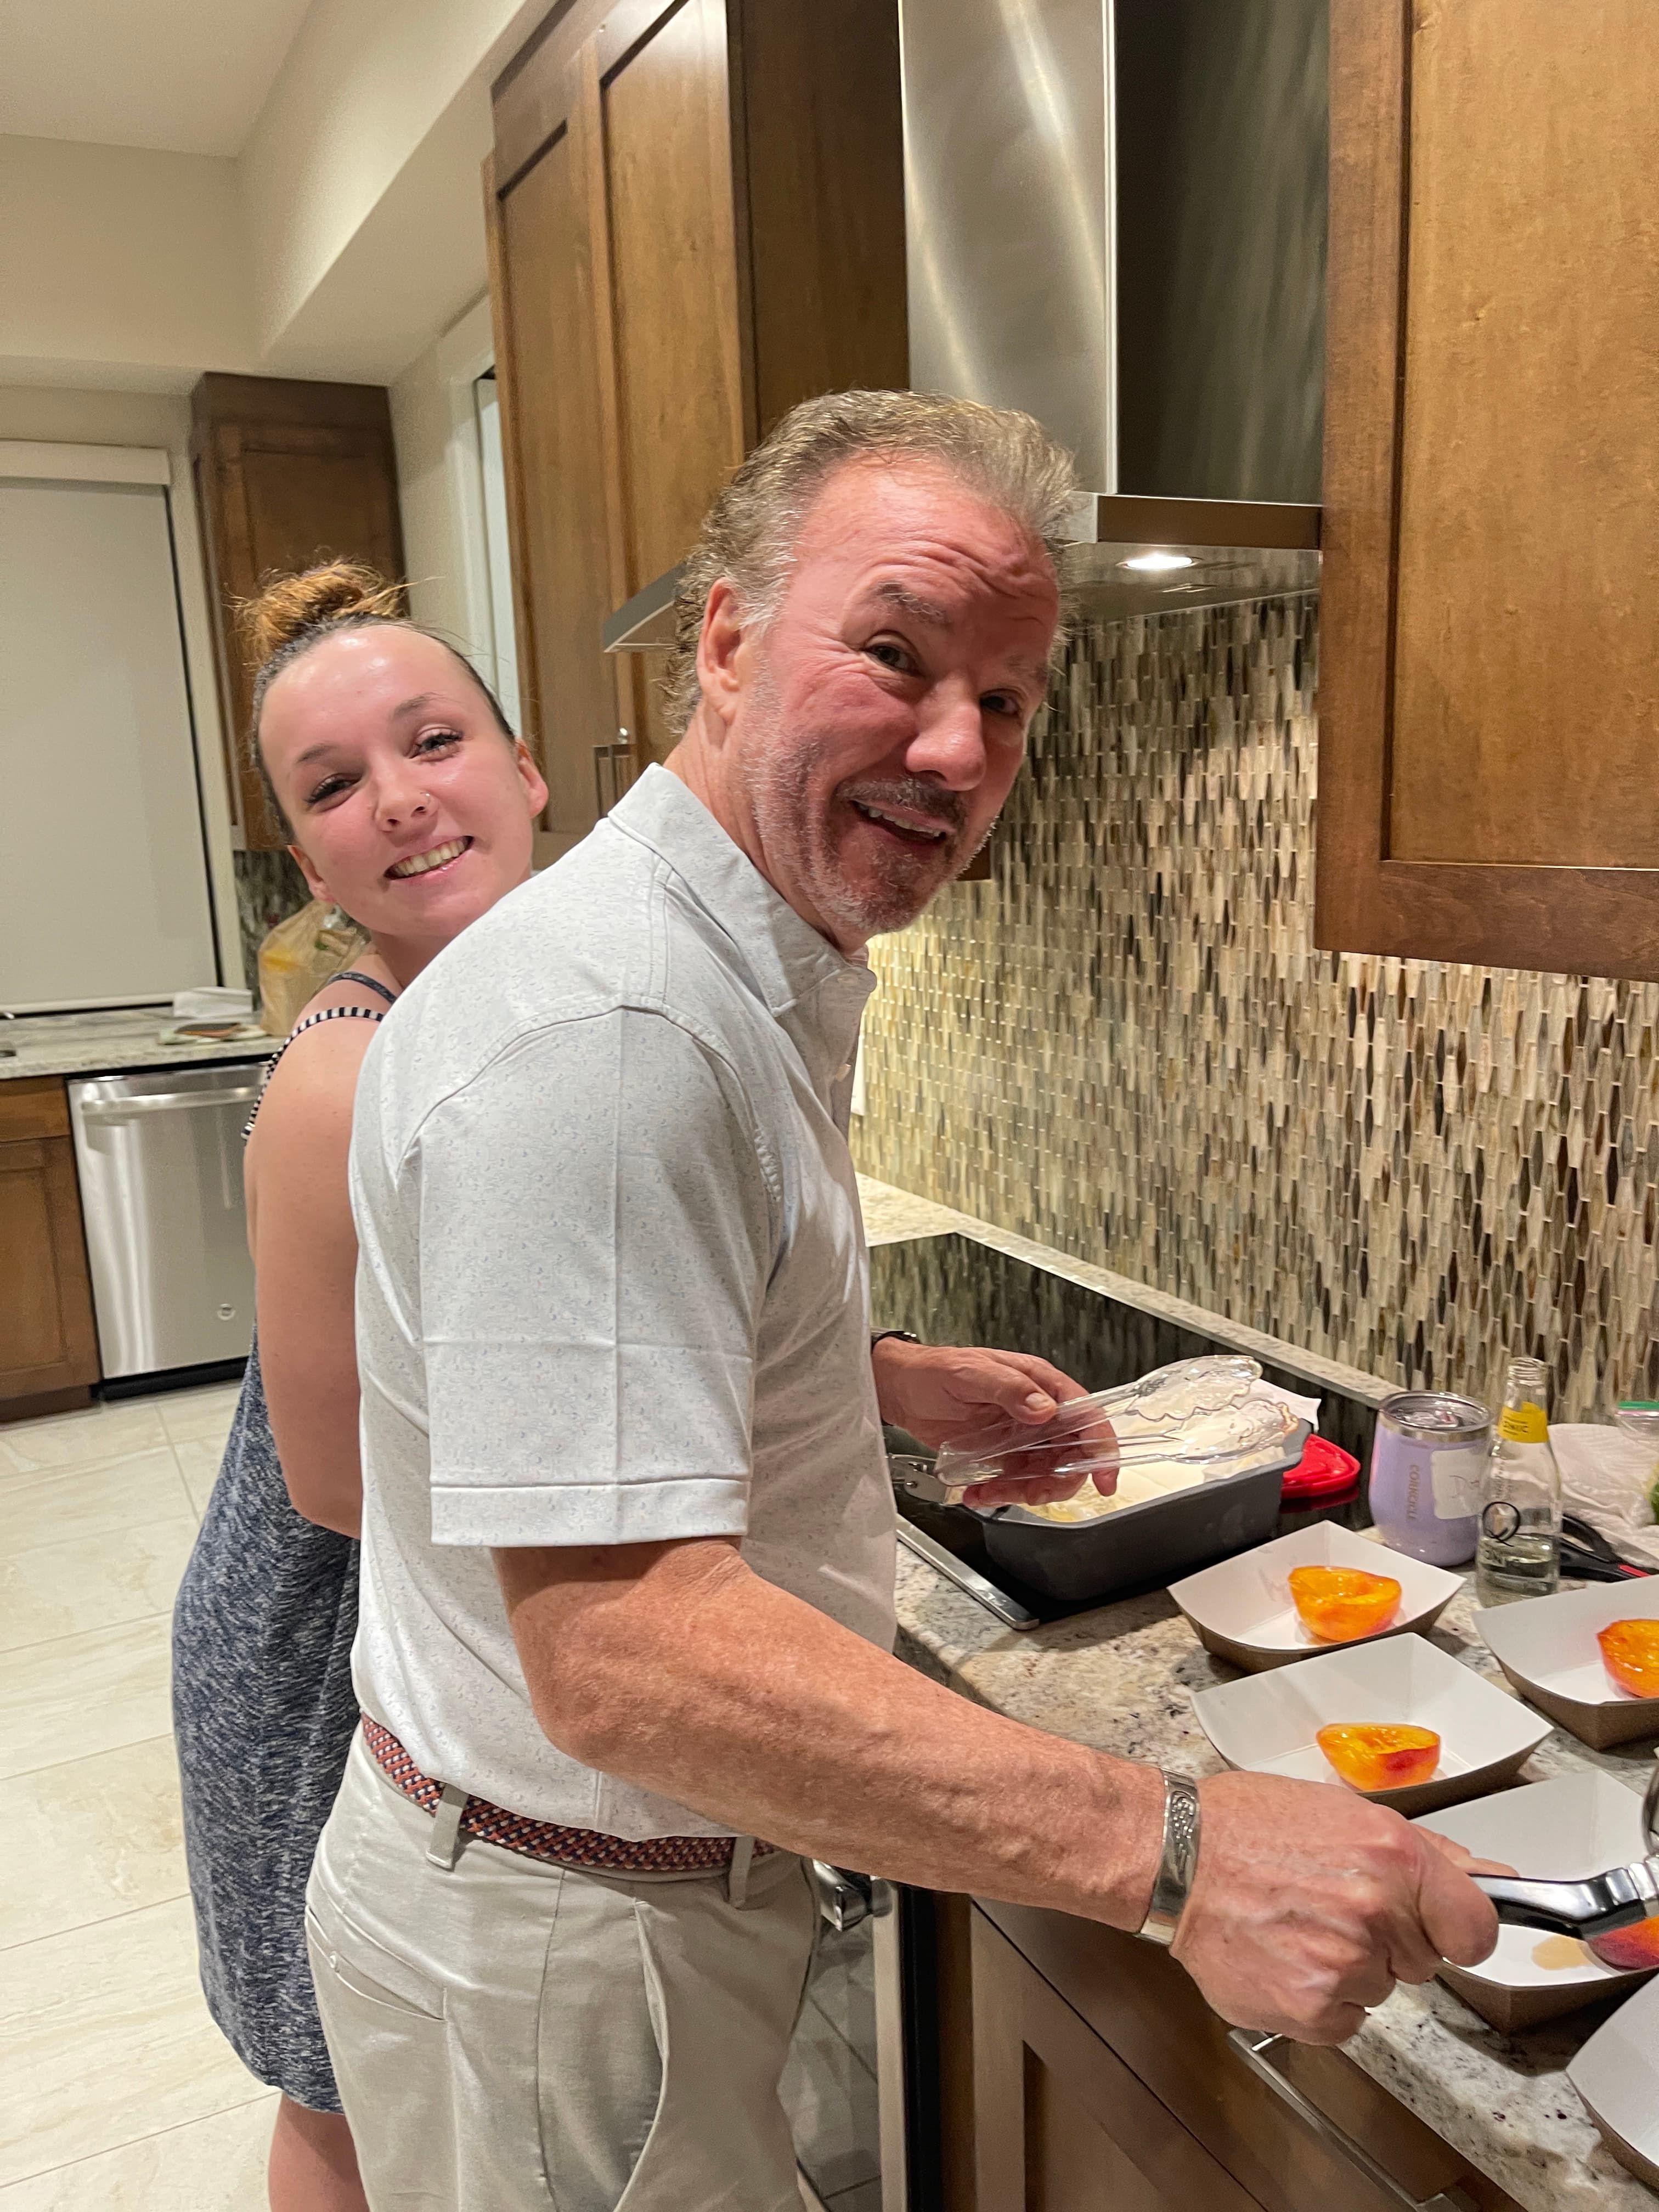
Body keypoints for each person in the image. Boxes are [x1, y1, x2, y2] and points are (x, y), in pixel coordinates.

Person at [308, 391, 1501, 2211]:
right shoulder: (612, 1031)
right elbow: (627, 1652)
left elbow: (610, 1338)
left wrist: (854, 1378)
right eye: (893, 652)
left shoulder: (714, 958)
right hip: (572, 1934)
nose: (955, 745)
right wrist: (1181, 1848)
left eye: (1007, 699)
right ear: (723, 636)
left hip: (587, 1896)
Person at [171, 562, 548, 2212]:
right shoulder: (345, 1066)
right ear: (307, 854)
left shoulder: (506, 1007)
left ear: (526, 765)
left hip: (420, 1636)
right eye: (333, 787)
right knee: (344, 2096)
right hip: (320, 1647)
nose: (399, 801)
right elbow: (337, 1483)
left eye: (434, 741)